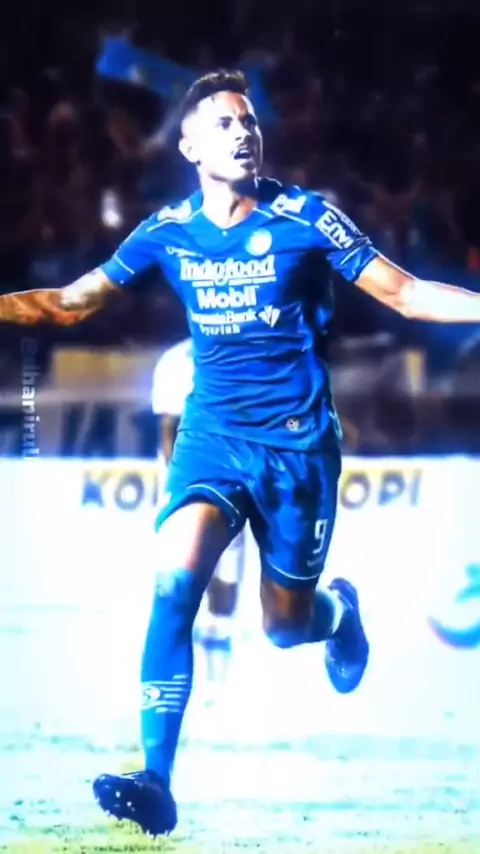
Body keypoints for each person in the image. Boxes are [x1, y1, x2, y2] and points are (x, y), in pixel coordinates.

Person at [0, 69, 479, 838]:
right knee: (173, 582)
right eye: (224, 123)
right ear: (189, 146)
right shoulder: (167, 231)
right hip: (212, 439)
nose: (243, 132)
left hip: (298, 451)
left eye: (249, 121)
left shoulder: (307, 217)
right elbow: (68, 303)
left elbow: (406, 293)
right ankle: (156, 779)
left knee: (285, 626)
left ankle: (339, 614)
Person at [151, 337, 246, 702]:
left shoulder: (246, 352)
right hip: (187, 485)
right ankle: (182, 681)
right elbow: (168, 430)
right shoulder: (175, 361)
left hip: (233, 481)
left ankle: (218, 674)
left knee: (227, 578)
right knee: (185, 580)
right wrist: (184, 486)